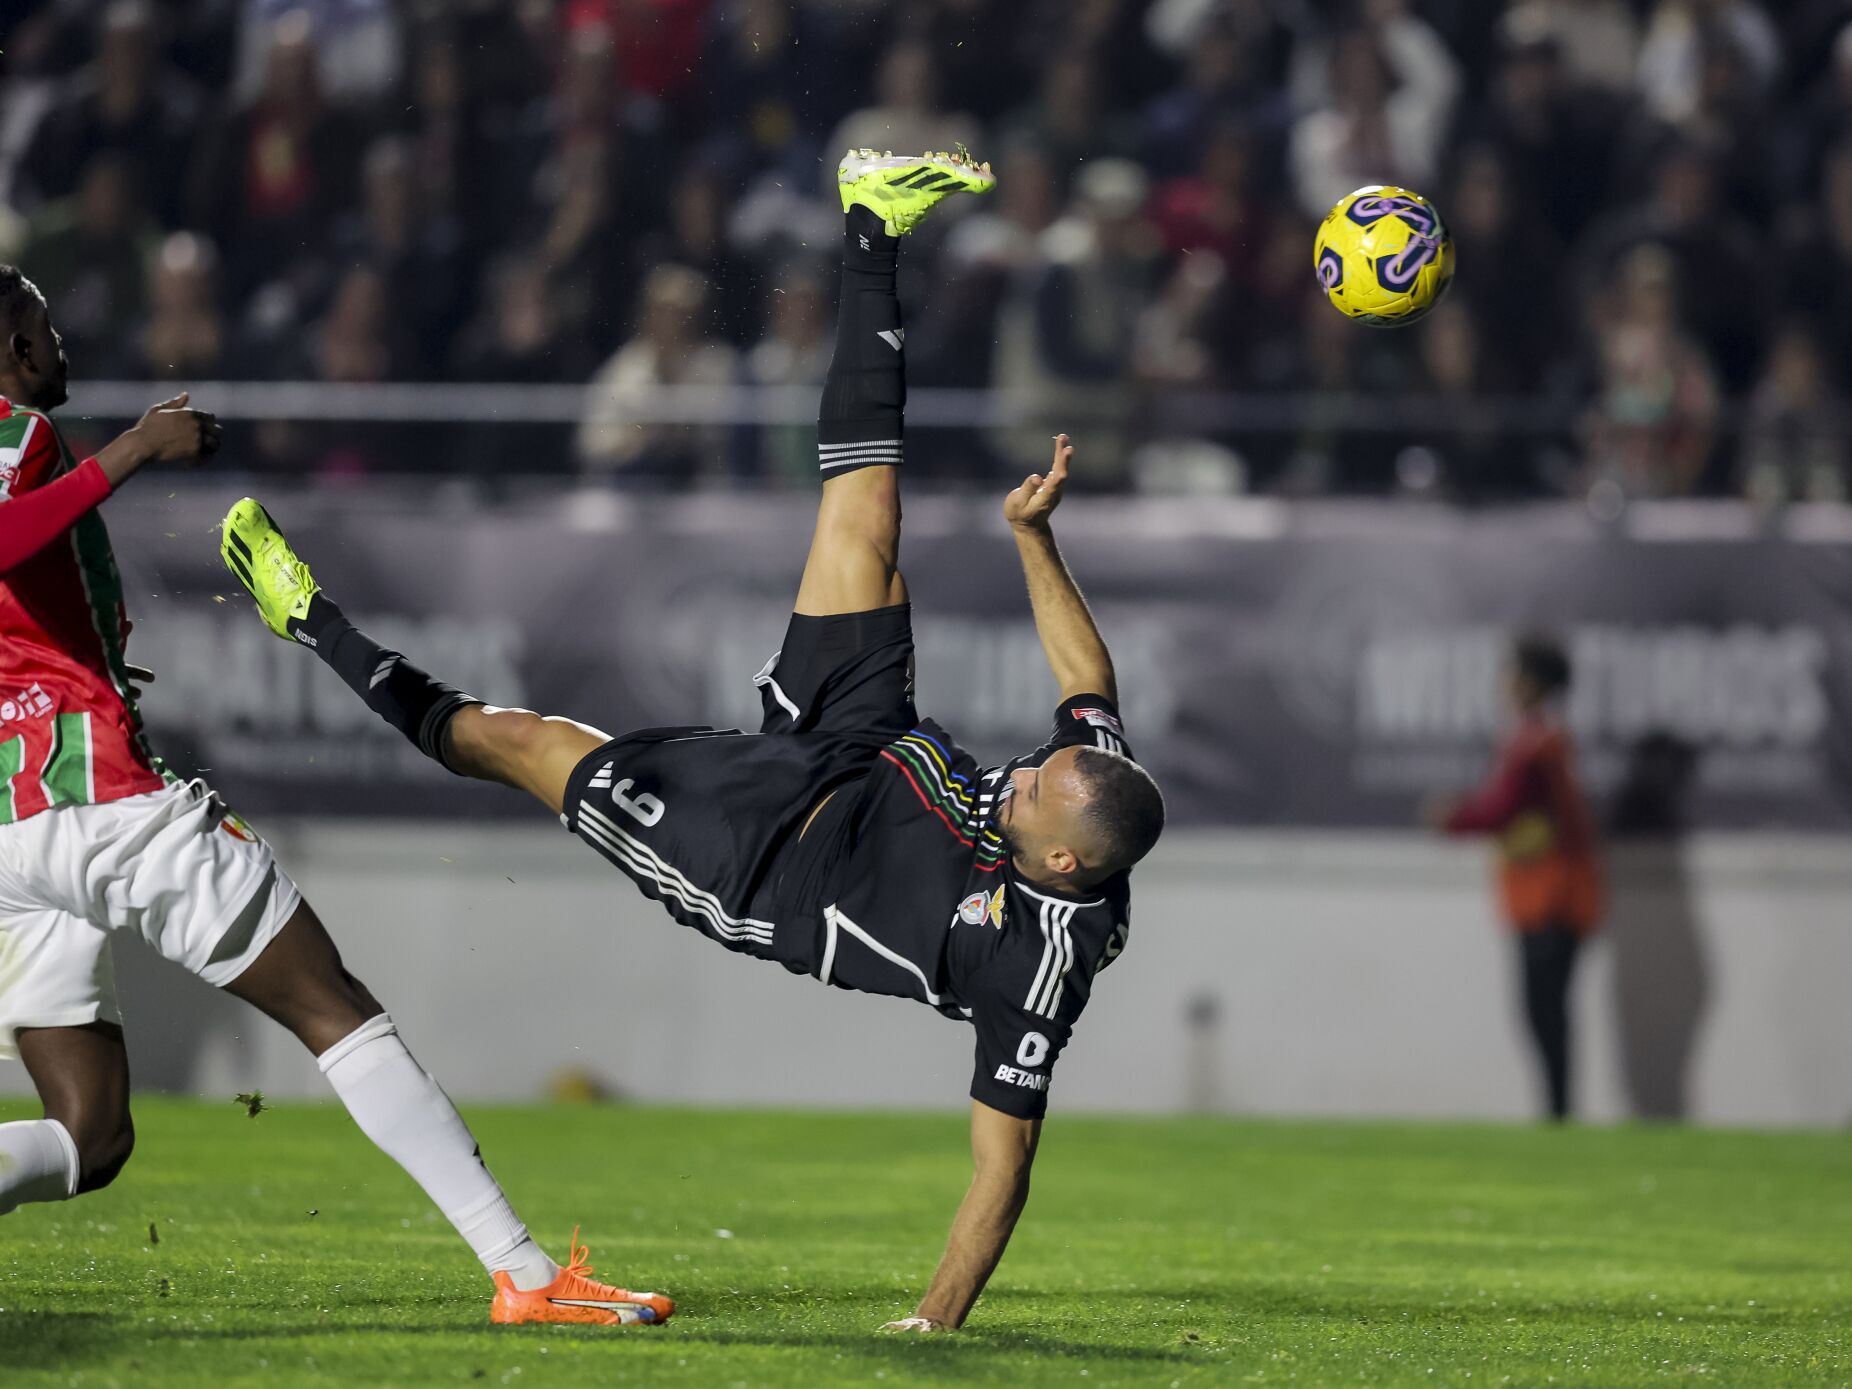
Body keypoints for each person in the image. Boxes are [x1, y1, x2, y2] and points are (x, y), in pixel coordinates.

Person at [218, 151, 1167, 1333]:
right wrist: (1033, 534)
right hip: (867, 742)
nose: (1021, 771)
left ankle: (312, 622)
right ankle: (872, 227)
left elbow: (1002, 1169)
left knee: (521, 740)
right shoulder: (1098, 796)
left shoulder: (1038, 969)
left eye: (1031, 794)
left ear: (1062, 862)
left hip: (762, 855)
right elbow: (1089, 681)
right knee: (867, 509)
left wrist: (935, 1320)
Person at [0, 265, 668, 1329]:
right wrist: (134, 448)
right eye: (43, 324)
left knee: (89, 1137)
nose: (59, 343)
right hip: (107, 805)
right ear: (16, 349)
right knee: (334, 1010)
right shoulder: (17, 435)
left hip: (11, 834)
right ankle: (527, 1276)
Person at [1430, 635, 1603, 1121]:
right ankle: (1556, 1111)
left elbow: (1504, 809)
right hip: (1547, 893)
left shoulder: (1536, 745)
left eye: (1510, 673)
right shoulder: (1543, 739)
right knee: (1545, 1011)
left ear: (1530, 682)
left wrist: (1454, 818)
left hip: (1551, 896)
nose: (1502, 683)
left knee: (1543, 1010)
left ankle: (1557, 1114)